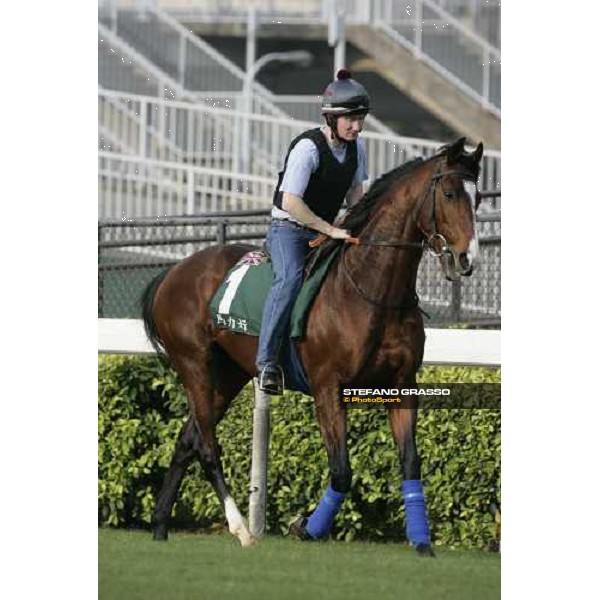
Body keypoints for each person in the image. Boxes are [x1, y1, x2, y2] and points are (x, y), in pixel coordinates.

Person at [256, 68, 371, 394]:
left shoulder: (357, 148)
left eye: (361, 118)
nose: (357, 125)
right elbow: (291, 203)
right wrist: (330, 229)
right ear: (332, 118)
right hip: (287, 231)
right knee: (291, 278)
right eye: (350, 118)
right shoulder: (307, 148)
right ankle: (266, 364)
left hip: (324, 231)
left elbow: (355, 198)